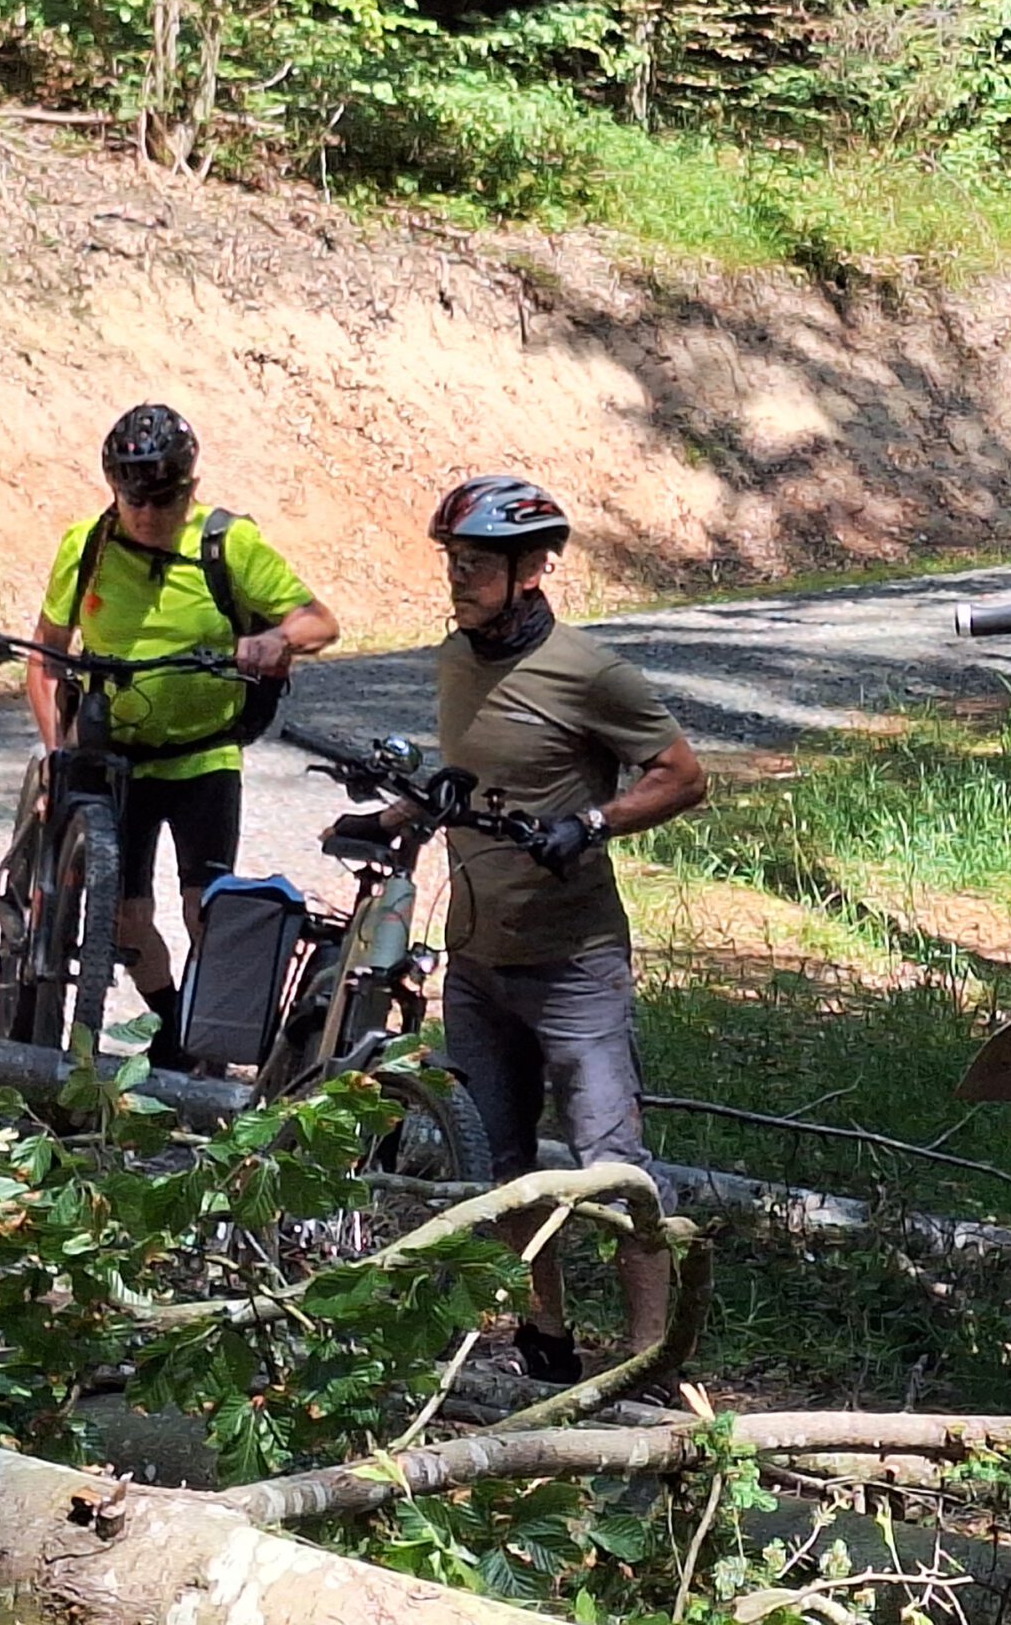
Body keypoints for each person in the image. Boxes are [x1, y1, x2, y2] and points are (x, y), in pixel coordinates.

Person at [338, 474, 707, 1381]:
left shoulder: (589, 673)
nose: (457, 581)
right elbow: (471, 778)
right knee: (501, 1167)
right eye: (453, 563)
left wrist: (591, 824)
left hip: (574, 963)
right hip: (477, 959)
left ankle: (651, 1361)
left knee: (613, 1173)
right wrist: (399, 814)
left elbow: (683, 774)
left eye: (475, 565)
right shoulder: (455, 657)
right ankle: (544, 1336)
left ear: (532, 570)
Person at [25, 404, 338, 1063]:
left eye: (163, 500)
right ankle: (175, 1029)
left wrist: (275, 638)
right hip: (114, 758)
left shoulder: (228, 545)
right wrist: (59, 753)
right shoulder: (88, 544)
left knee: (209, 911)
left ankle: (202, 1030)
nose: (147, 514)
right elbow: (46, 653)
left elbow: (320, 622)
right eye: (133, 498)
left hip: (204, 757)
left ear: (189, 489)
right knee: (122, 916)